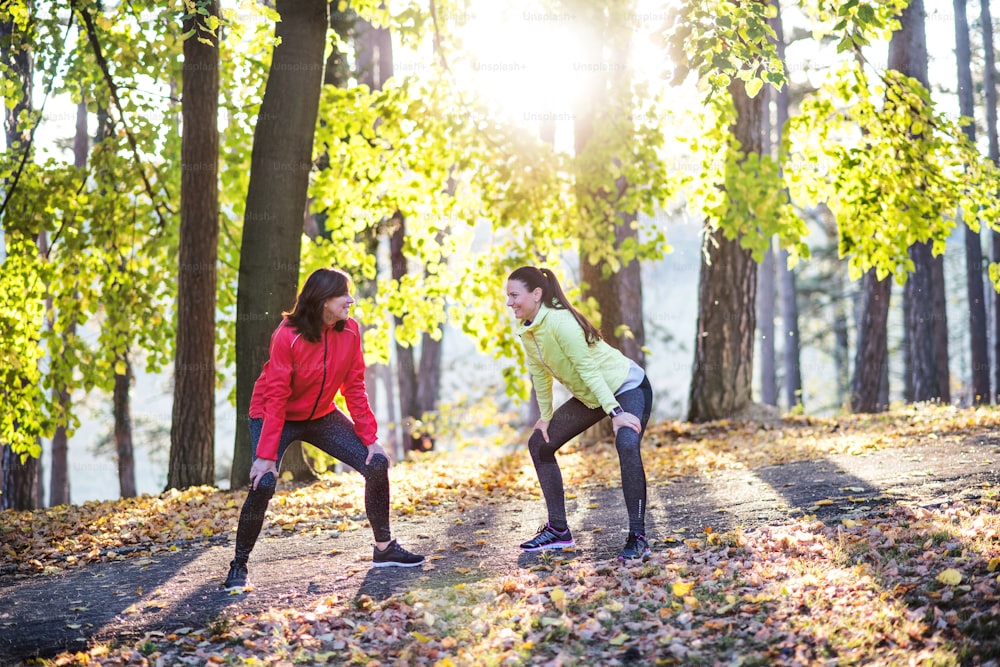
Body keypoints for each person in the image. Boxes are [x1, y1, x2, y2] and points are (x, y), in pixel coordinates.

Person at [223, 268, 424, 591]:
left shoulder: (350, 331)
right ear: (322, 300)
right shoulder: (288, 336)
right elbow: (276, 396)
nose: (351, 299)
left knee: (376, 464)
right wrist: (265, 456)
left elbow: (354, 386)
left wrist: (370, 439)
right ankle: (239, 564)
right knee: (265, 482)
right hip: (274, 413)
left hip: (321, 414)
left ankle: (384, 549)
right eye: (343, 294)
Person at [506, 266, 654, 561]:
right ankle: (558, 531)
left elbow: (588, 368)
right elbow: (540, 374)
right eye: (508, 296)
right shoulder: (528, 329)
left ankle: (637, 536)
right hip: (594, 394)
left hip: (627, 386)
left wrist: (615, 412)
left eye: (514, 295)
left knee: (626, 442)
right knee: (540, 443)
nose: (510, 302)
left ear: (536, 294)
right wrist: (546, 417)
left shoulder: (560, 322)